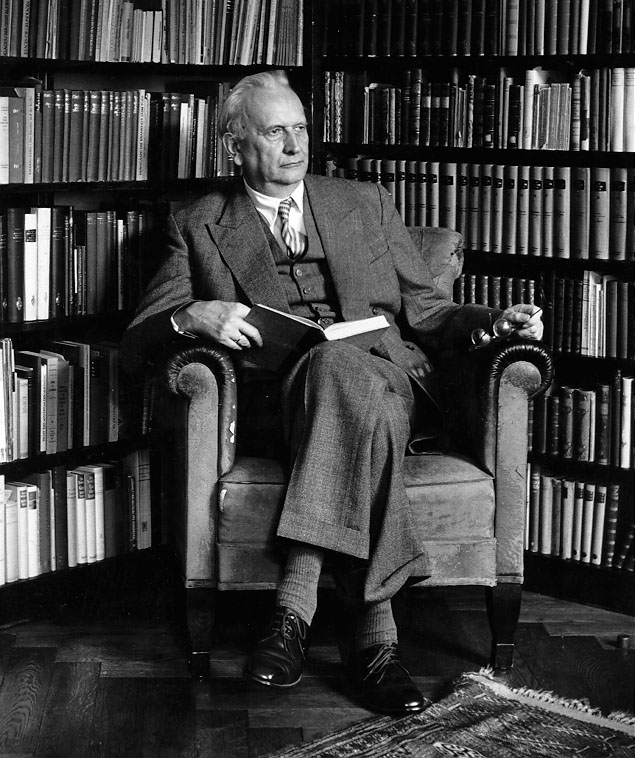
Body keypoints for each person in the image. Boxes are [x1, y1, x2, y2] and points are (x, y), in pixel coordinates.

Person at [120, 70, 543, 715]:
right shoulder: (197, 223)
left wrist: (493, 321)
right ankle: (375, 640)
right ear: (234, 146)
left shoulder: (364, 202)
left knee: (343, 369)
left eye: (300, 129)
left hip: (390, 377)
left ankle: (294, 609)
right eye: (275, 132)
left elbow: (429, 311)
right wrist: (193, 315)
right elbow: (137, 340)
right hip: (280, 403)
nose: (295, 146)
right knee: (339, 378)